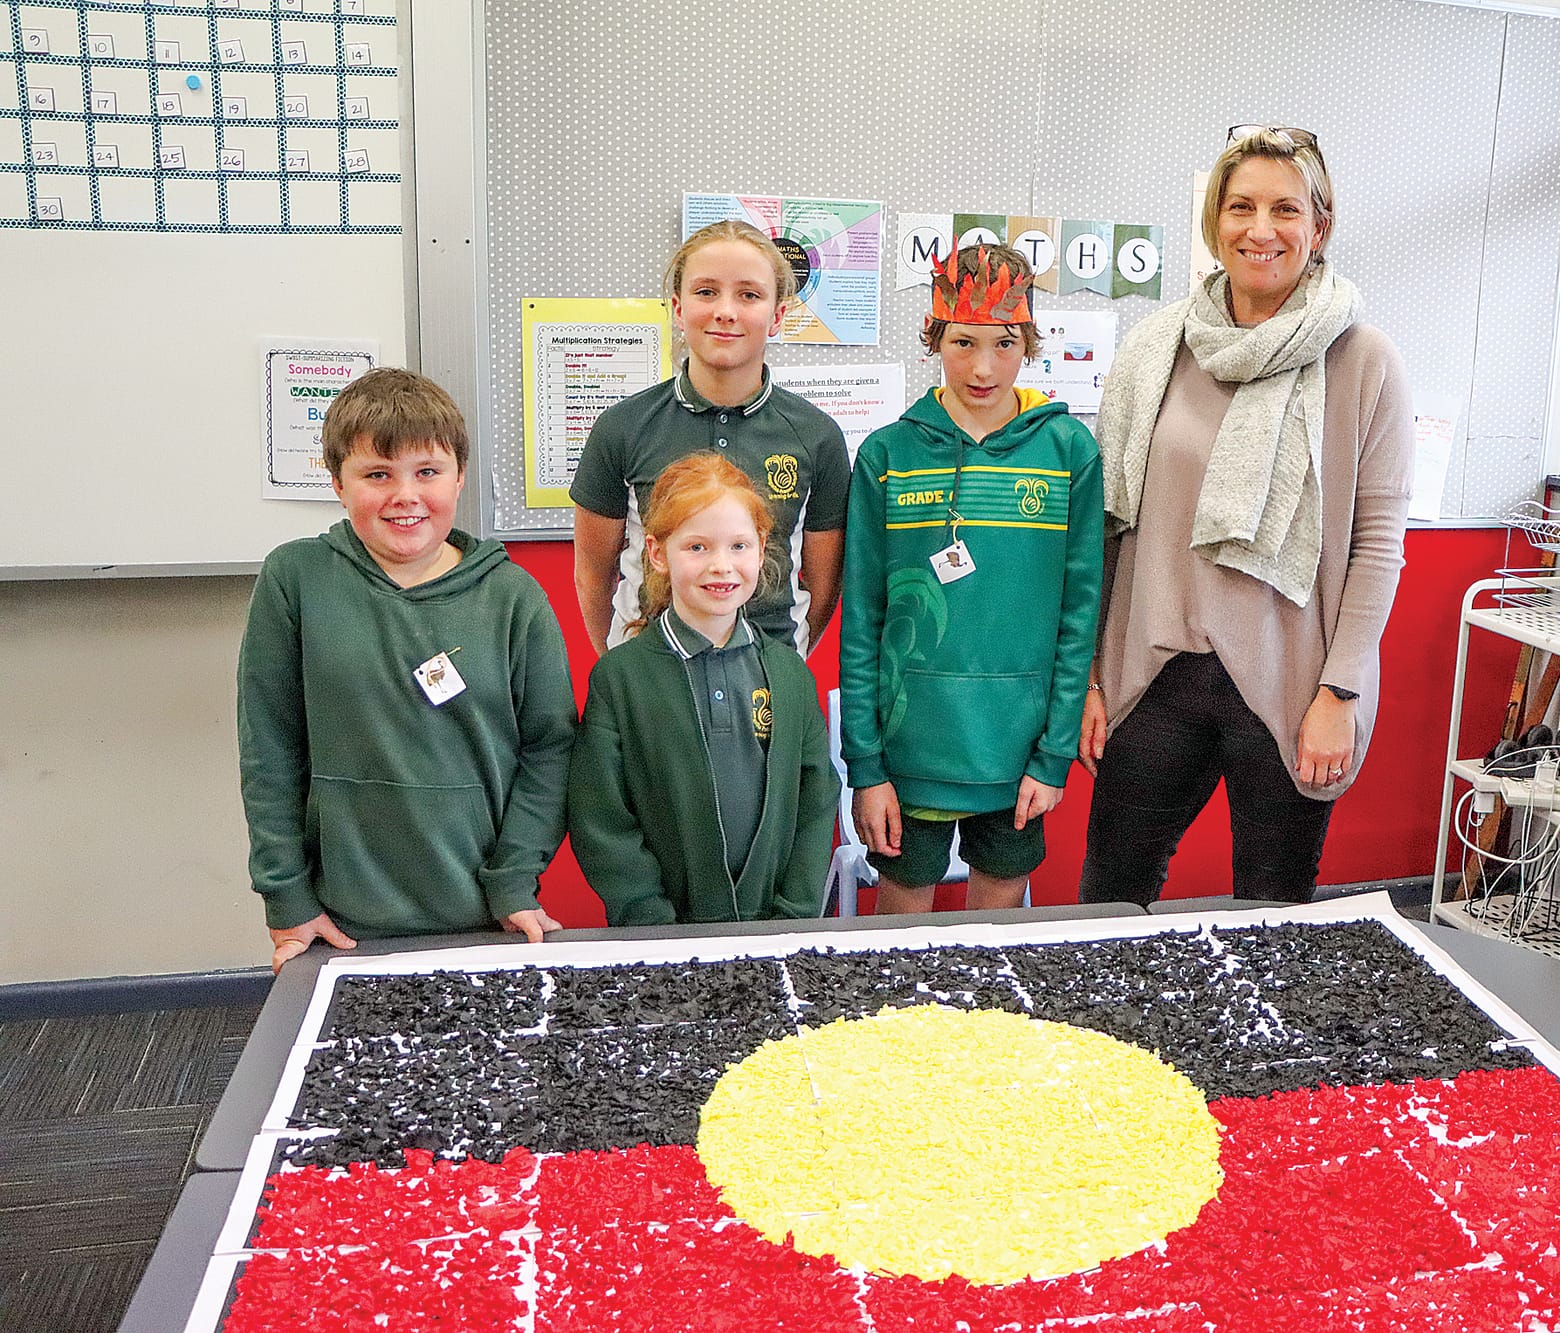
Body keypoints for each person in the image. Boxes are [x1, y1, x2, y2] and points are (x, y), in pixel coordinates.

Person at [1078, 125, 1415, 905]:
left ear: (1319, 226)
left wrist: (1342, 692)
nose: (1260, 230)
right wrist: (1092, 676)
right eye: (1240, 207)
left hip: (1290, 688)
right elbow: (1108, 527)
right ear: (1214, 222)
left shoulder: (1364, 360)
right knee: (1107, 901)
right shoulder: (1156, 348)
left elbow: (1378, 546)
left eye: (1284, 209)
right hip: (1152, 677)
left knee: (1271, 915)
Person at [237, 368, 576, 973]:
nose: (405, 495)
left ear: (458, 476)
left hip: (487, 912)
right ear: (337, 483)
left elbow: (550, 748)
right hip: (340, 922)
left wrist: (515, 877)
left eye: (427, 472)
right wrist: (284, 892)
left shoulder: (513, 597)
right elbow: (270, 749)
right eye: (376, 475)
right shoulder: (294, 580)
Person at [841, 243, 1104, 914]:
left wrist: (1052, 756)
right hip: (910, 751)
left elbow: (1080, 617)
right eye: (962, 341)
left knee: (993, 949)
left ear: (1029, 342)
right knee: (898, 950)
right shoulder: (887, 455)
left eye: (1003, 342)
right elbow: (863, 619)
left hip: (1017, 754)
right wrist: (866, 768)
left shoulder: (1069, 452)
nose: (982, 366)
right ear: (934, 338)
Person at [567, 454, 838, 924]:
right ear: (657, 553)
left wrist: (793, 913)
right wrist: (648, 918)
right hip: (659, 944)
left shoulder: (790, 675)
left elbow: (816, 800)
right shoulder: (620, 679)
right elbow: (601, 818)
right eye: (697, 547)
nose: (721, 566)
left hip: (777, 933)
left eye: (738, 546)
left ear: (761, 549)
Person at [571, 219, 850, 659]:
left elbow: (823, 585)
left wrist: (784, 660)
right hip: (648, 671)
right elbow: (592, 575)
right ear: (678, 308)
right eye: (705, 292)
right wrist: (623, 665)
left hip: (769, 673)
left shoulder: (817, 437)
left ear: (777, 315)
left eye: (749, 294)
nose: (725, 310)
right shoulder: (622, 428)